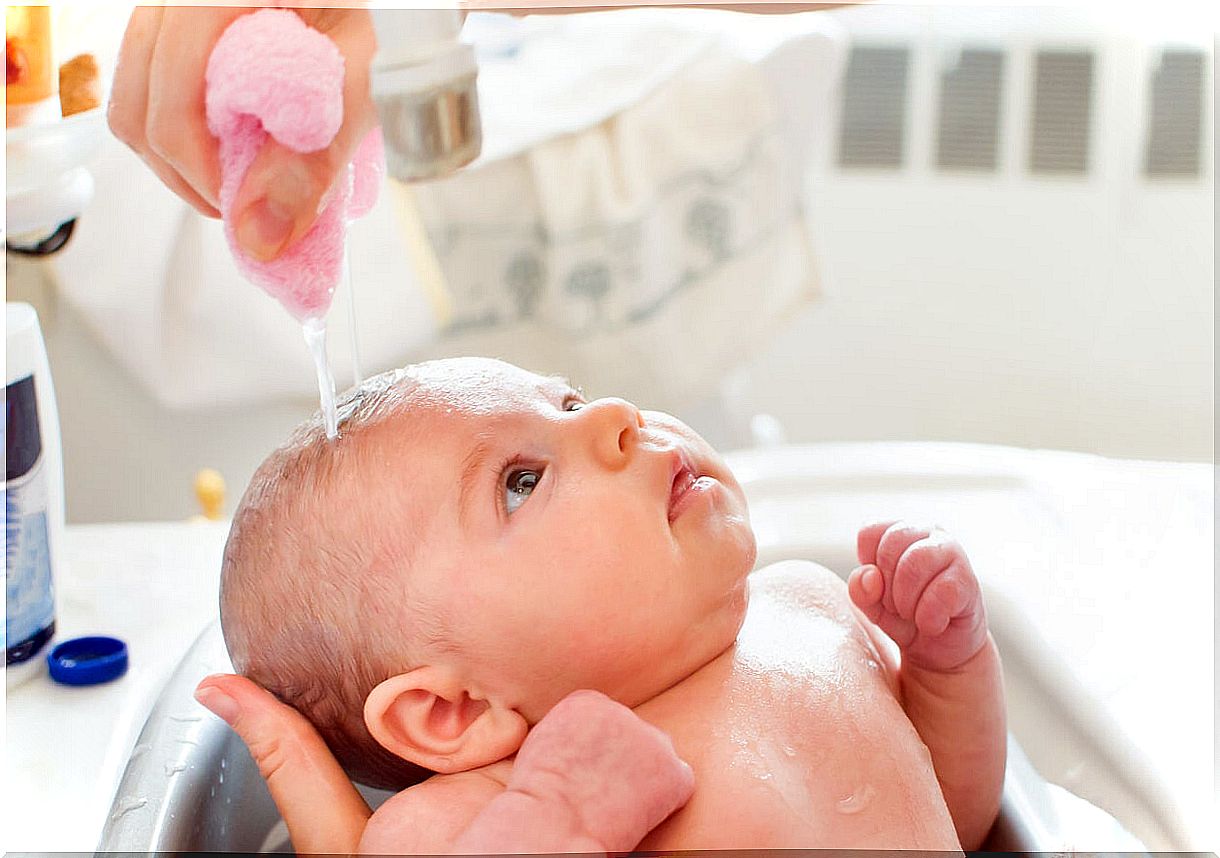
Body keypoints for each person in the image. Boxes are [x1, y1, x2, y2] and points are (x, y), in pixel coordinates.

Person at [195, 356, 1007, 853]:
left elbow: (952, 819)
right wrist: (560, 825)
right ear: (454, 710)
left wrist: (948, 670)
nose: (618, 420)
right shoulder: (482, 812)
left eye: (572, 402)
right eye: (522, 480)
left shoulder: (809, 605)